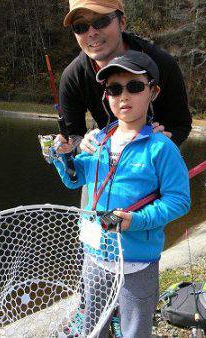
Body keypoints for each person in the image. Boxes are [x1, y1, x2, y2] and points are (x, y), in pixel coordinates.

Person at [52, 50, 191, 338]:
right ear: (106, 96)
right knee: (94, 324)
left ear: (153, 92)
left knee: (134, 329)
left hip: (137, 263)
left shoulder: (161, 148)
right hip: (94, 255)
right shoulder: (99, 141)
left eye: (134, 87)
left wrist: (135, 220)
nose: (123, 96)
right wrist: (62, 156)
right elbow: (74, 180)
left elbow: (179, 201)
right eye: (115, 89)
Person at [60, 0, 192, 153]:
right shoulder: (72, 77)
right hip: (107, 162)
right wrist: (81, 144)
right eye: (80, 26)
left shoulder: (162, 63)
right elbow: (72, 135)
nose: (91, 32)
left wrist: (168, 139)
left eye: (101, 21)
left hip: (154, 159)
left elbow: (181, 125)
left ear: (122, 22)